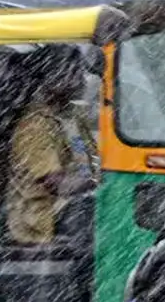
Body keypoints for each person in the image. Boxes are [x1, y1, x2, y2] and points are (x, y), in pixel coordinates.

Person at [7, 46, 99, 245]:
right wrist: (101, 184)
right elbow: (56, 183)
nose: (81, 80)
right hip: (45, 221)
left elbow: (94, 162)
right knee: (93, 212)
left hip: (74, 211)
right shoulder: (34, 125)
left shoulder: (71, 116)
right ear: (52, 78)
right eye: (74, 72)